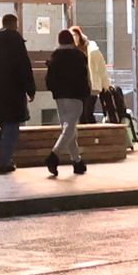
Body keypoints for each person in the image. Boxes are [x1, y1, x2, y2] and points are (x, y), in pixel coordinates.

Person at [0, 11, 35, 175]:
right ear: (14, 24)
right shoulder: (17, 43)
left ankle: (7, 159)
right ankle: (4, 161)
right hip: (14, 94)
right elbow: (24, 68)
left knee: (5, 126)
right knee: (11, 128)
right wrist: (30, 89)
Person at [43, 27, 95, 177]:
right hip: (75, 95)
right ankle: (53, 156)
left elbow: (50, 79)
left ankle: (77, 162)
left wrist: (54, 91)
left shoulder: (55, 56)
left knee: (68, 129)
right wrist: (86, 93)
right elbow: (84, 77)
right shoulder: (79, 55)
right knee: (70, 128)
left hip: (59, 97)